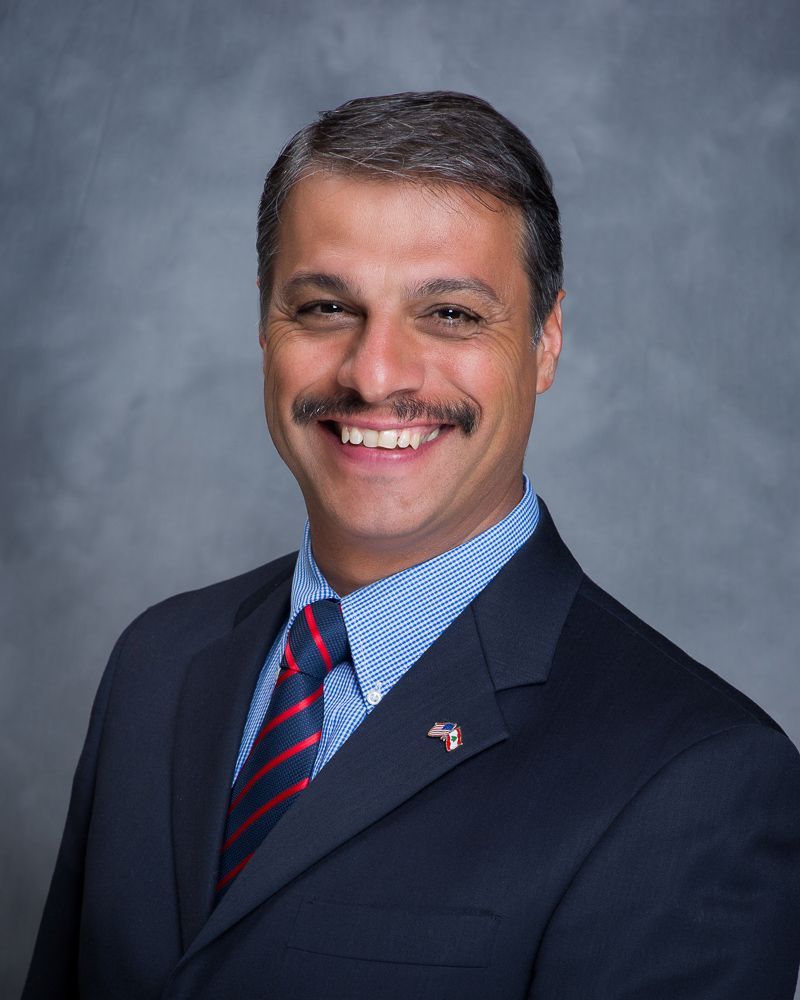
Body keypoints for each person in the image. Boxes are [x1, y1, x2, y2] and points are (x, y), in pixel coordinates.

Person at [23, 91, 800, 1000]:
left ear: (546, 342)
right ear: (266, 325)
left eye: (452, 315)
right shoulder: (159, 662)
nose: (374, 372)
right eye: (323, 306)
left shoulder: (696, 778)